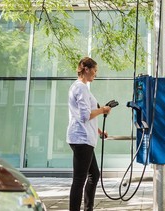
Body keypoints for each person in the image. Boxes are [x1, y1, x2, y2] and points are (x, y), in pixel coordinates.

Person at [66, 57, 111, 211]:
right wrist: (103, 110)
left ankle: (88, 208)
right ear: (86, 69)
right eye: (94, 70)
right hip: (81, 139)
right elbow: (85, 116)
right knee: (79, 179)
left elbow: (83, 115)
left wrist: (99, 131)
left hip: (84, 138)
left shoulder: (81, 87)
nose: (95, 74)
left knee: (94, 175)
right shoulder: (81, 88)